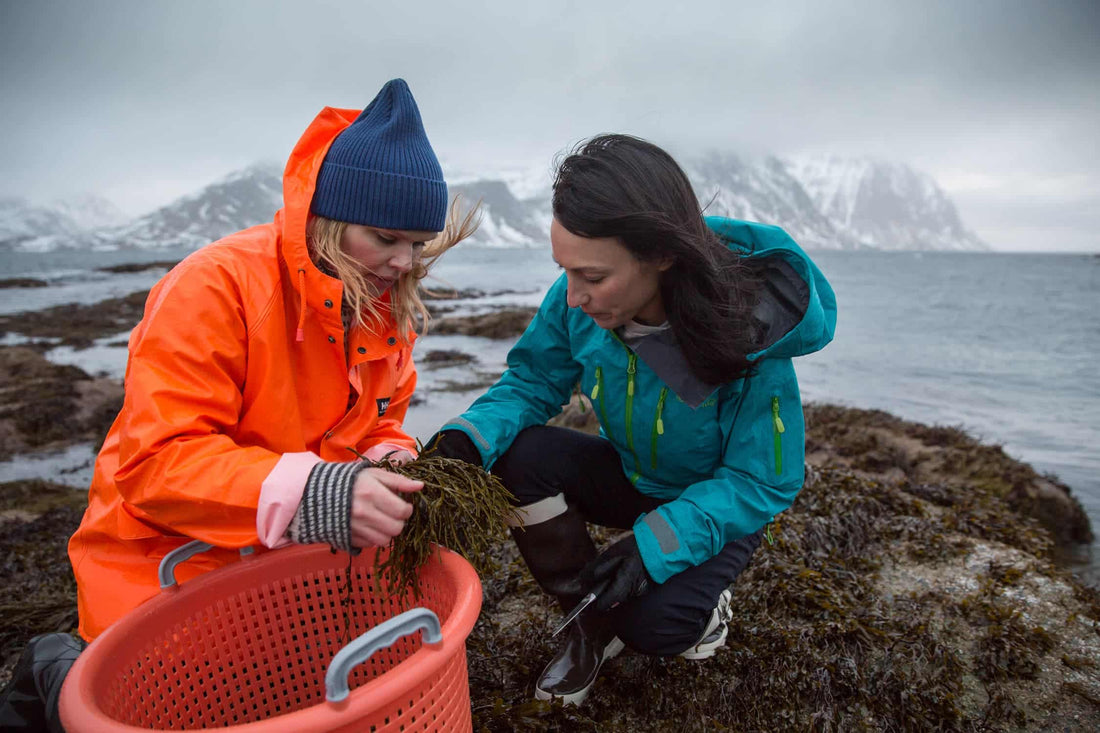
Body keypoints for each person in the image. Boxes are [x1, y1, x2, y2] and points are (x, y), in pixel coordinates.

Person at [0, 78, 477, 732]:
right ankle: (55, 668)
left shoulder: (382, 308)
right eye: (385, 237)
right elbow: (155, 464)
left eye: (418, 244)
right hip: (165, 568)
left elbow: (379, 420)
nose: (404, 262)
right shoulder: (215, 287)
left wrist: (387, 454)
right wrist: (320, 492)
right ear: (330, 219)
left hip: (288, 567)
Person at [429, 134, 837, 705]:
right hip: (633, 475)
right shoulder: (576, 300)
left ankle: (703, 607)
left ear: (661, 255)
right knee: (516, 455)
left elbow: (762, 481)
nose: (574, 297)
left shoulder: (745, 332)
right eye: (565, 271)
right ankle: (588, 618)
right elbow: (533, 380)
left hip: (716, 501)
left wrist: (651, 549)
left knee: (657, 628)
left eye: (593, 278)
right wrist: (466, 440)